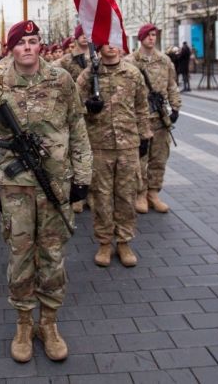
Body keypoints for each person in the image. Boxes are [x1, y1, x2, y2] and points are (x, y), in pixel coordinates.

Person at [0, 20, 92, 363]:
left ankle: (50, 323)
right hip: (15, 188)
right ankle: (24, 324)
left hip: (55, 182)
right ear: (11, 48)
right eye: (21, 42)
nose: (28, 47)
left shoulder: (62, 80)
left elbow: (78, 129)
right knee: (21, 256)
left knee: (53, 255)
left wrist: (82, 177)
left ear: (41, 45)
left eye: (33, 41)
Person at [79, 42, 152, 267]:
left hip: (128, 145)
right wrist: (88, 108)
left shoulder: (132, 73)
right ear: (98, 46)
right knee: (101, 198)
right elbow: (72, 106)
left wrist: (145, 135)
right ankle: (104, 242)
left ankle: (124, 242)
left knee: (127, 196)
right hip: (99, 145)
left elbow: (141, 107)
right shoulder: (89, 74)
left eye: (114, 42)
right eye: (106, 43)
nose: (111, 47)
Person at [126, 23, 181, 215]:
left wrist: (175, 107)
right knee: (140, 160)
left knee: (159, 158)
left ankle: (153, 193)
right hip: (139, 120)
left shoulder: (164, 61)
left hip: (159, 118)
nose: (152, 38)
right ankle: (140, 194)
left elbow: (172, 85)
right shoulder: (130, 61)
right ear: (140, 38)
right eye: (148, 35)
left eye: (154, 35)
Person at [58, 24, 90, 213]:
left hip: (97, 117)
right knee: (72, 154)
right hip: (74, 113)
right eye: (81, 34)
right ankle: (77, 197)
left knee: (92, 157)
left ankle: (92, 194)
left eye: (88, 34)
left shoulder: (98, 59)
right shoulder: (66, 61)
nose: (85, 37)